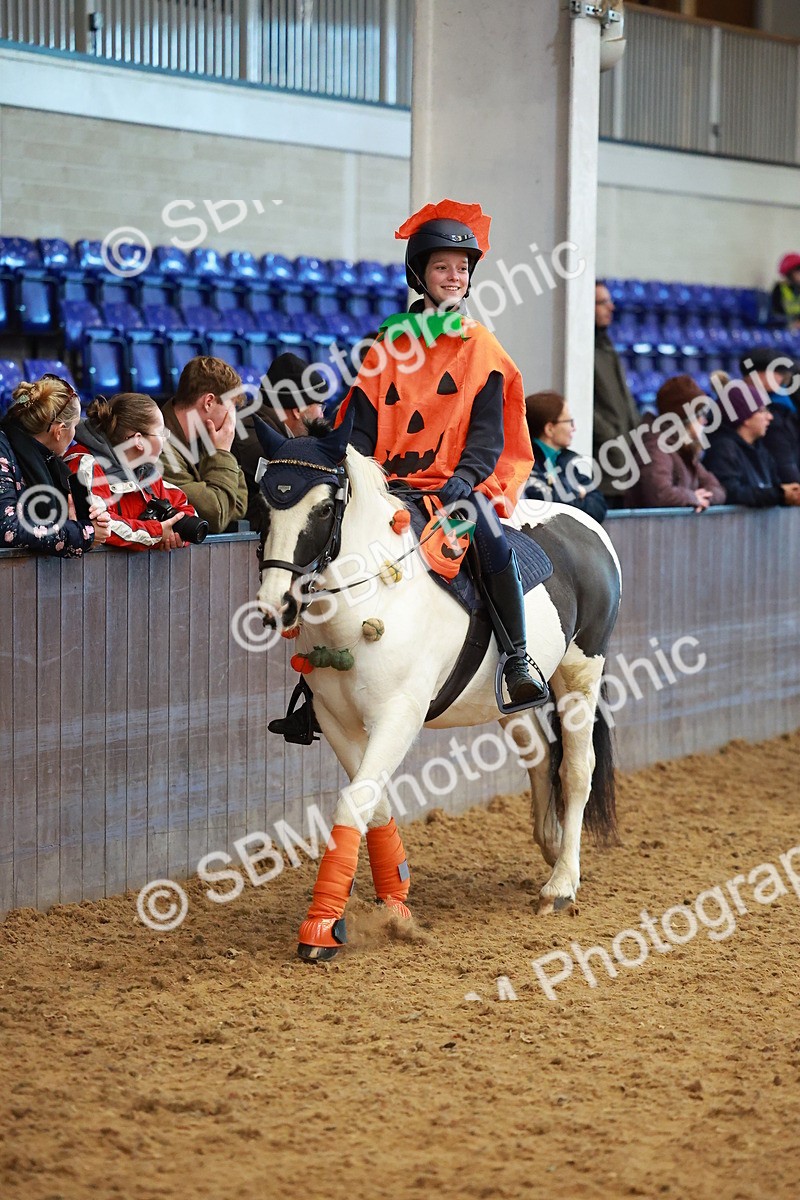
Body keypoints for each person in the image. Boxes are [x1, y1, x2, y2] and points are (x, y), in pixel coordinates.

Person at [339, 199, 546, 707]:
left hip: (457, 485)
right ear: (419, 273)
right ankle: (314, 678)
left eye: (461, 269)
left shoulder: (482, 347)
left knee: (490, 537)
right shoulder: (386, 345)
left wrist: (468, 475)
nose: (454, 276)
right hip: (388, 485)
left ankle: (517, 658)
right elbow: (363, 423)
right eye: (442, 267)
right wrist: (354, 474)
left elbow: (487, 432)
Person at [65, 393, 199, 550]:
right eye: (161, 433)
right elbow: (100, 525)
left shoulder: (145, 471)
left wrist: (176, 534)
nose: (165, 439)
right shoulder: (84, 464)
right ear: (138, 440)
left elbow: (184, 509)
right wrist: (156, 533)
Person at [0, 374, 109, 556]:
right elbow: (7, 529)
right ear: (59, 431)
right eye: (74, 426)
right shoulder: (3, 449)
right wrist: (83, 534)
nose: (74, 434)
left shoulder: (51, 463)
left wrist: (90, 520)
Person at [234, 352, 330, 537]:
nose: (322, 416)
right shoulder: (249, 431)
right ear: (298, 410)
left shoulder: (265, 425)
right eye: (320, 407)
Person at [159, 356, 248, 534]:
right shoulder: (158, 447)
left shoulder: (204, 440)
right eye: (230, 409)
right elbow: (216, 516)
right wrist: (222, 453)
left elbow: (237, 506)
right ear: (208, 402)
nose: (231, 420)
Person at [623, 375, 726, 511]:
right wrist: (693, 498)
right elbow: (659, 494)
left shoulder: (683, 447)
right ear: (685, 418)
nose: (704, 421)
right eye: (700, 415)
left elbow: (718, 490)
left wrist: (704, 498)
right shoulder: (655, 447)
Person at [703, 380, 800, 509]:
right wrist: (779, 494)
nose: (770, 417)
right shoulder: (723, 449)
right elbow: (731, 492)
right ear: (745, 418)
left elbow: (773, 487)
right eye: (762, 411)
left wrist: (789, 494)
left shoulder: (761, 450)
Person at [523, 390, 607, 522]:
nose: (574, 428)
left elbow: (598, 506)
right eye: (569, 422)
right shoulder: (525, 462)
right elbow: (548, 506)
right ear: (550, 429)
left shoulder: (565, 459)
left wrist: (569, 494)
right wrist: (578, 492)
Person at [593, 281, 642, 504]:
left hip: (623, 459)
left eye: (609, 301)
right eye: (602, 303)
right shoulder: (582, 347)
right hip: (602, 463)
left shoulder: (607, 346)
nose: (610, 307)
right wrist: (609, 435)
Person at [739, 349, 800, 485]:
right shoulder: (740, 405)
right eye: (777, 372)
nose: (782, 379)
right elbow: (782, 457)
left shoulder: (784, 403)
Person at [770, 253, 800, 329]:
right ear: (789, 273)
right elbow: (776, 312)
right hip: (785, 327)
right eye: (798, 270)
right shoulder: (779, 289)